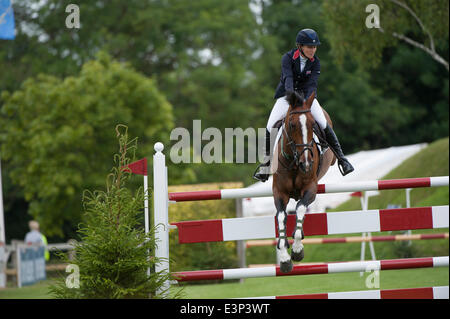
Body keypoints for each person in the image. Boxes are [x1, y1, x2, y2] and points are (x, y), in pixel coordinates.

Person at [253, 28, 354, 182]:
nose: (312, 50)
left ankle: (342, 159)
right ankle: (266, 165)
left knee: (323, 123)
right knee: (269, 126)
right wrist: (293, 100)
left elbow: (312, 85)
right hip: (287, 96)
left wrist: (306, 102)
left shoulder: (316, 63)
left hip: (308, 98)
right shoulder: (287, 58)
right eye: (309, 47)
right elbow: (288, 81)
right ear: (300, 46)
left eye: (314, 47)